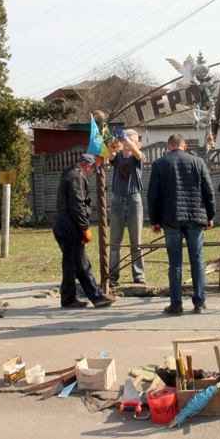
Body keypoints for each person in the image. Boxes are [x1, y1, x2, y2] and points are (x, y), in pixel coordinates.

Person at [148, 134, 215, 315]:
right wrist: (210, 215)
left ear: (169, 146)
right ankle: (199, 303)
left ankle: (176, 304)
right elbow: (208, 191)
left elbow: (153, 195)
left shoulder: (159, 164)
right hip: (195, 218)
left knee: (175, 262)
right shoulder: (198, 162)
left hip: (170, 219)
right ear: (184, 146)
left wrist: (154, 221)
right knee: (197, 259)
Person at [53, 153, 116, 309]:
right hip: (71, 226)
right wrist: (84, 228)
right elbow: (78, 205)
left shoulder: (69, 172)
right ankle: (95, 297)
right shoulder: (77, 176)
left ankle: (70, 298)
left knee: (74, 263)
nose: (91, 173)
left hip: (64, 224)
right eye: (92, 170)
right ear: (87, 166)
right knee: (79, 262)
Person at [108, 129, 147, 287]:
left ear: (137, 143)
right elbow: (110, 154)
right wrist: (110, 140)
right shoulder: (117, 157)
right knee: (115, 243)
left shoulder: (138, 157)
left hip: (134, 200)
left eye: (132, 140)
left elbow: (137, 153)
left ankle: (139, 275)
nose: (127, 142)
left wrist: (126, 140)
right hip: (117, 200)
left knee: (136, 242)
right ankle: (112, 277)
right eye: (126, 139)